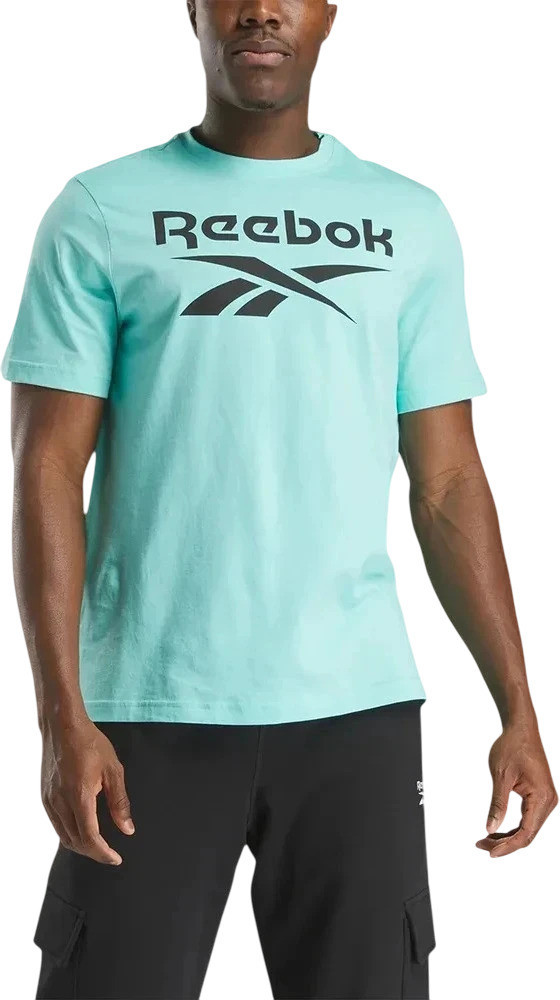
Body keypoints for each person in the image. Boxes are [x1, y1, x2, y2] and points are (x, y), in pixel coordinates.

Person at [2, 2, 556, 998]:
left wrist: (517, 705)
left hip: (355, 712)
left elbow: (446, 480)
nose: (261, 8)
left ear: (328, 12)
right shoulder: (100, 211)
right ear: (193, 9)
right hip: (147, 713)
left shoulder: (409, 220)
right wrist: (59, 716)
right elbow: (46, 466)